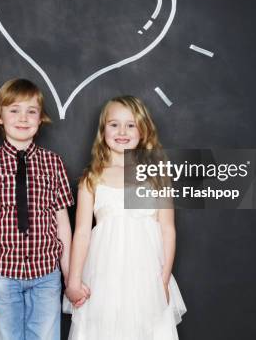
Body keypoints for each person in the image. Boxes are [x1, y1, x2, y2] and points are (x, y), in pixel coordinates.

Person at [63, 96, 187, 339]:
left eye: (130, 125)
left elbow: (167, 229)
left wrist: (163, 278)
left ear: (143, 130)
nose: (122, 131)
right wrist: (74, 280)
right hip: (104, 275)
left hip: (147, 275)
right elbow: (82, 233)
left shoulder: (154, 176)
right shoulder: (92, 178)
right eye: (114, 124)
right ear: (103, 130)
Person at [0, 78, 74, 340]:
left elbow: (62, 224)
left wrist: (69, 274)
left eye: (31, 111)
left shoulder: (53, 163)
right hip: (1, 275)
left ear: (40, 118)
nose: (23, 118)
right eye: (14, 110)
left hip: (46, 273)